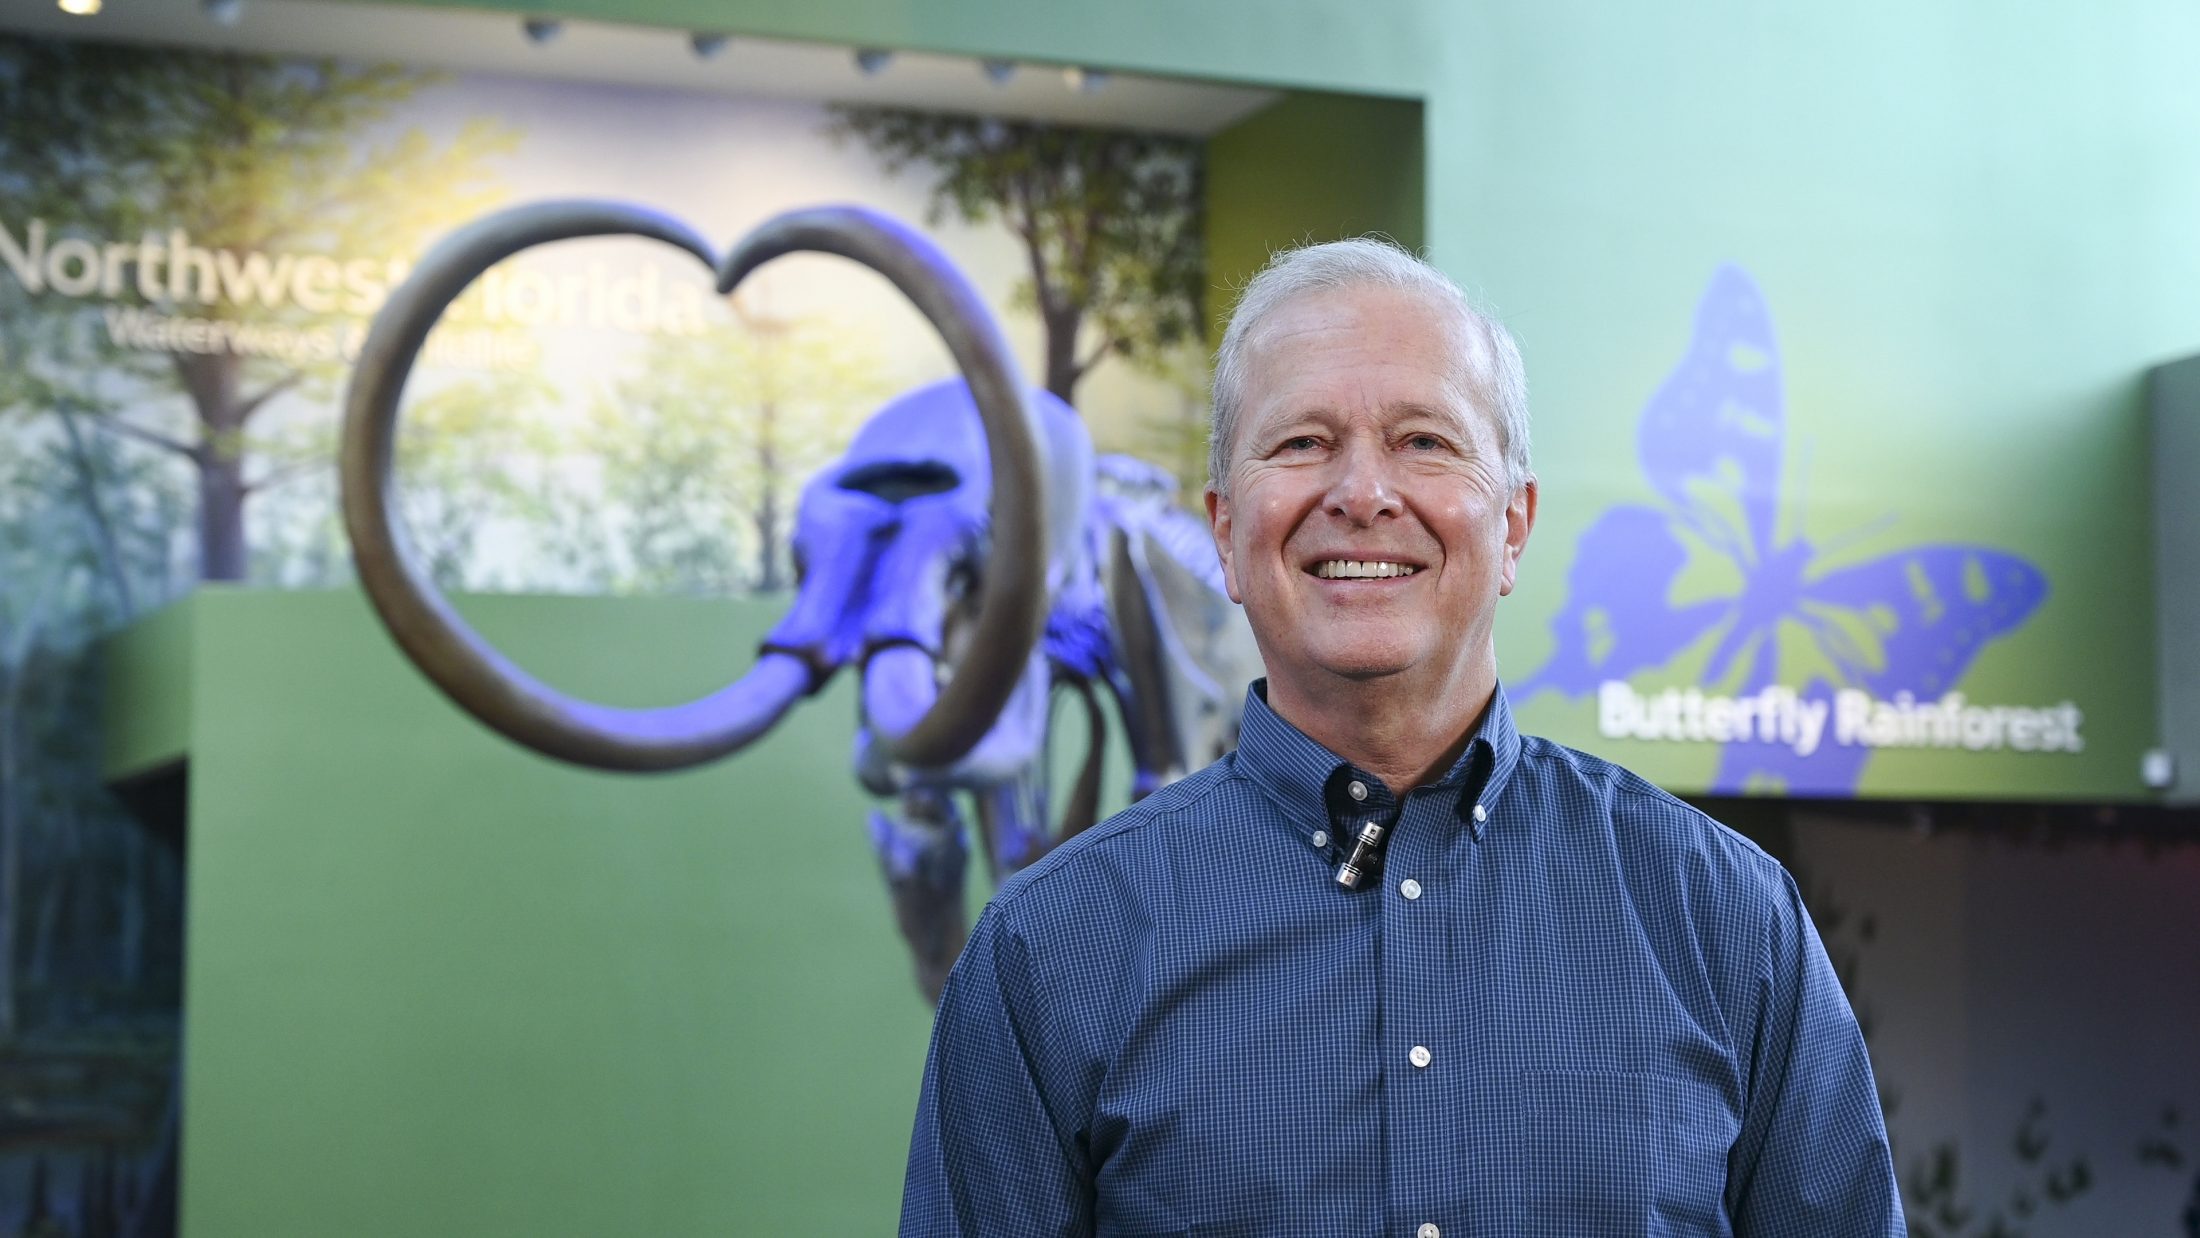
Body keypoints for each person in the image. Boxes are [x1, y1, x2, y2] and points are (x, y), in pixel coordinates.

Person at [899, 238, 1903, 1237]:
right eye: (1300, 443)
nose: (1363, 492)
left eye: (1424, 440)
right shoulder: (1049, 951)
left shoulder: (1722, 915)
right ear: (1223, 531)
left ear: (1513, 525)